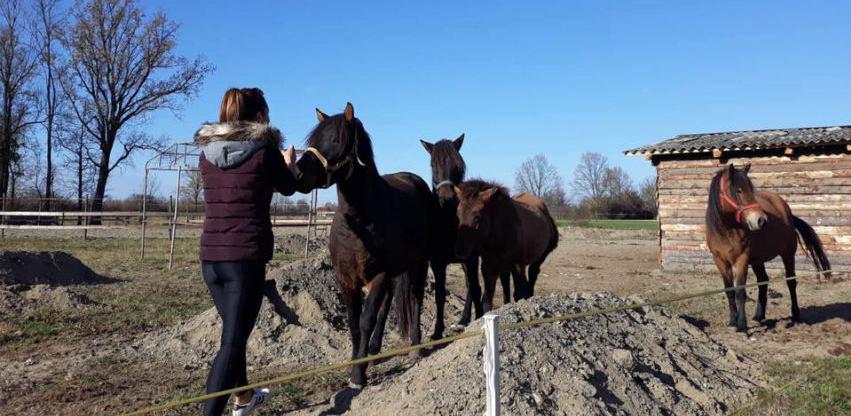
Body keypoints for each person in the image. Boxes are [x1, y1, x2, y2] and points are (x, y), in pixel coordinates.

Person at [194, 87, 298, 416]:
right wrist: (289, 163)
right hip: (245, 260)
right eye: (267, 114)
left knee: (232, 337)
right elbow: (289, 186)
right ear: (258, 117)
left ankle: (244, 398)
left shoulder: (206, 154)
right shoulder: (265, 151)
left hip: (211, 259)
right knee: (232, 344)